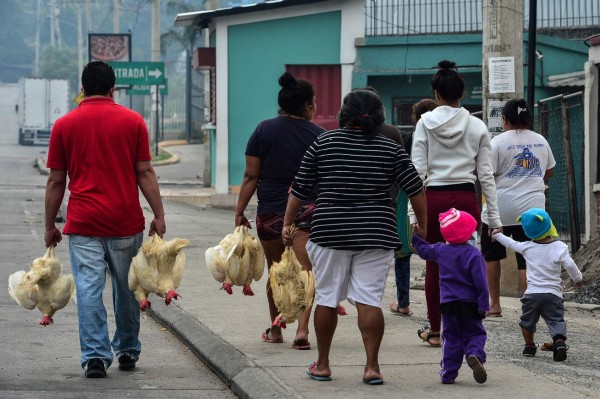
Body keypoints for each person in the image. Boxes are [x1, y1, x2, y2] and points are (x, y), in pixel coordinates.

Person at [282, 89, 427, 385]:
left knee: (326, 297)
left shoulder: (323, 142)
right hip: (376, 232)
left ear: (343, 113)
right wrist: (422, 225)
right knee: (369, 300)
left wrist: (287, 223)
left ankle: (322, 365)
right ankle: (372, 367)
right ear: (379, 116)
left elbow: (299, 189)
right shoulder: (390, 148)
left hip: (329, 231)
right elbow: (416, 188)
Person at [44, 61, 166, 378]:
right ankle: (126, 349)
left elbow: (56, 181)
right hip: (125, 221)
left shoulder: (64, 125)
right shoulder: (133, 121)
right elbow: (145, 172)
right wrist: (159, 214)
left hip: (83, 223)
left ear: (82, 89)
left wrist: (49, 226)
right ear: (113, 89)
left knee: (88, 289)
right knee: (127, 288)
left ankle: (95, 357)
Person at [408, 60, 502, 347]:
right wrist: (495, 220)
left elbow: (417, 171)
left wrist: (414, 214)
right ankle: (467, 326)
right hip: (465, 202)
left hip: (434, 200)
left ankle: (436, 331)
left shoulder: (424, 123)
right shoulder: (477, 126)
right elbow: (486, 176)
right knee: (468, 264)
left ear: (436, 95)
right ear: (462, 94)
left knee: (435, 266)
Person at [235, 71, 325, 349]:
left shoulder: (263, 130)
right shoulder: (320, 136)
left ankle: (276, 331)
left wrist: (239, 211)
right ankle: (302, 331)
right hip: (308, 213)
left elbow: (251, 176)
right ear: (308, 105)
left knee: (277, 272)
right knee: (305, 274)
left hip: (270, 213)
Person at [482, 99, 556, 317]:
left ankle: (494, 305)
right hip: (533, 212)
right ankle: (528, 305)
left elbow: (488, 173)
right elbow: (549, 170)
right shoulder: (540, 140)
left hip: (500, 210)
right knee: (529, 256)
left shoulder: (497, 142)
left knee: (492, 256)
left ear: (505, 119)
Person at [492, 208, 583, 361]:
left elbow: (510, 243)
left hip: (532, 294)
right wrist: (578, 279)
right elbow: (570, 265)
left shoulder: (527, 247)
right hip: (553, 295)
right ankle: (559, 341)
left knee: (527, 322)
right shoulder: (560, 247)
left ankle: (529, 346)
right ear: (549, 225)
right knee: (556, 320)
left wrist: (497, 234)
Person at [412, 208, 489, 384]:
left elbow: (424, 250)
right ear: (469, 232)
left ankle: (448, 373)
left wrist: (416, 237)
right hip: (470, 304)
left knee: (451, 338)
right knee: (475, 333)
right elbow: (481, 284)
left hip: (448, 305)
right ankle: (475, 354)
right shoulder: (475, 255)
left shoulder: (440, 250)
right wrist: (483, 305)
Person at [389, 98, 437, 316]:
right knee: (439, 252)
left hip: (408, 196)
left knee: (403, 251)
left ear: (415, 119)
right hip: (438, 193)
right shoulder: (445, 138)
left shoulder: (408, 139)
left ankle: (404, 303)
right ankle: (438, 307)